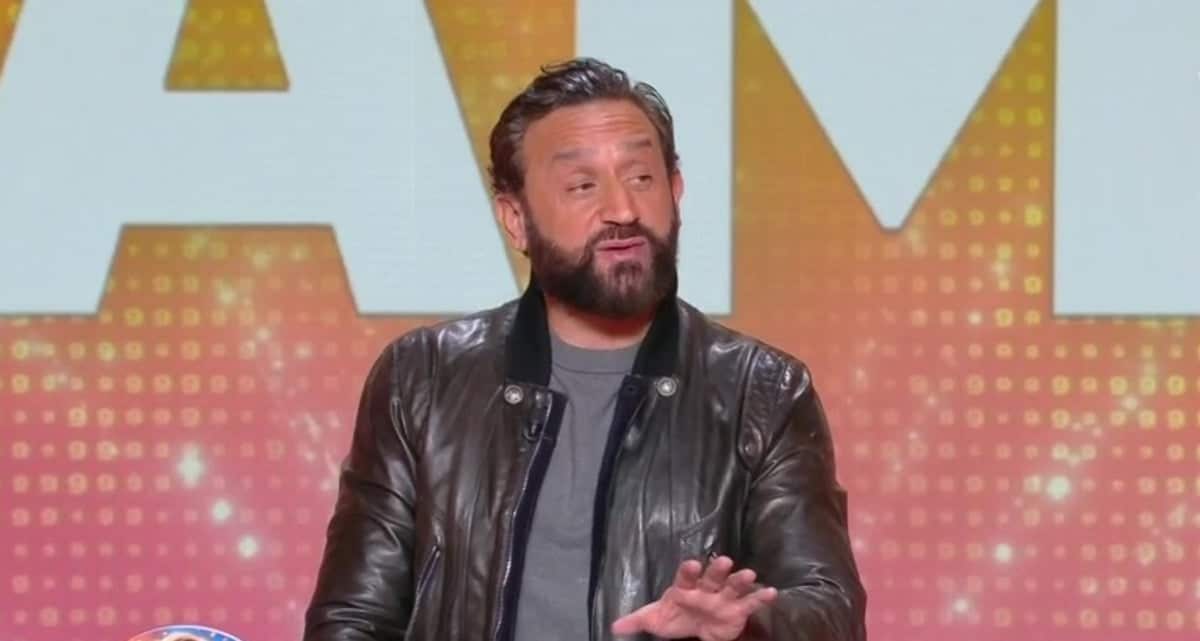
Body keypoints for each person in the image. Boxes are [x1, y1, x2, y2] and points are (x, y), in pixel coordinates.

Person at [303, 57, 866, 641]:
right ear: (516, 219)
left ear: (676, 191)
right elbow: (352, 620)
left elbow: (830, 608)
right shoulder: (421, 378)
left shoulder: (763, 391)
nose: (623, 210)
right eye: (582, 186)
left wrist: (747, 625)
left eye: (642, 178)